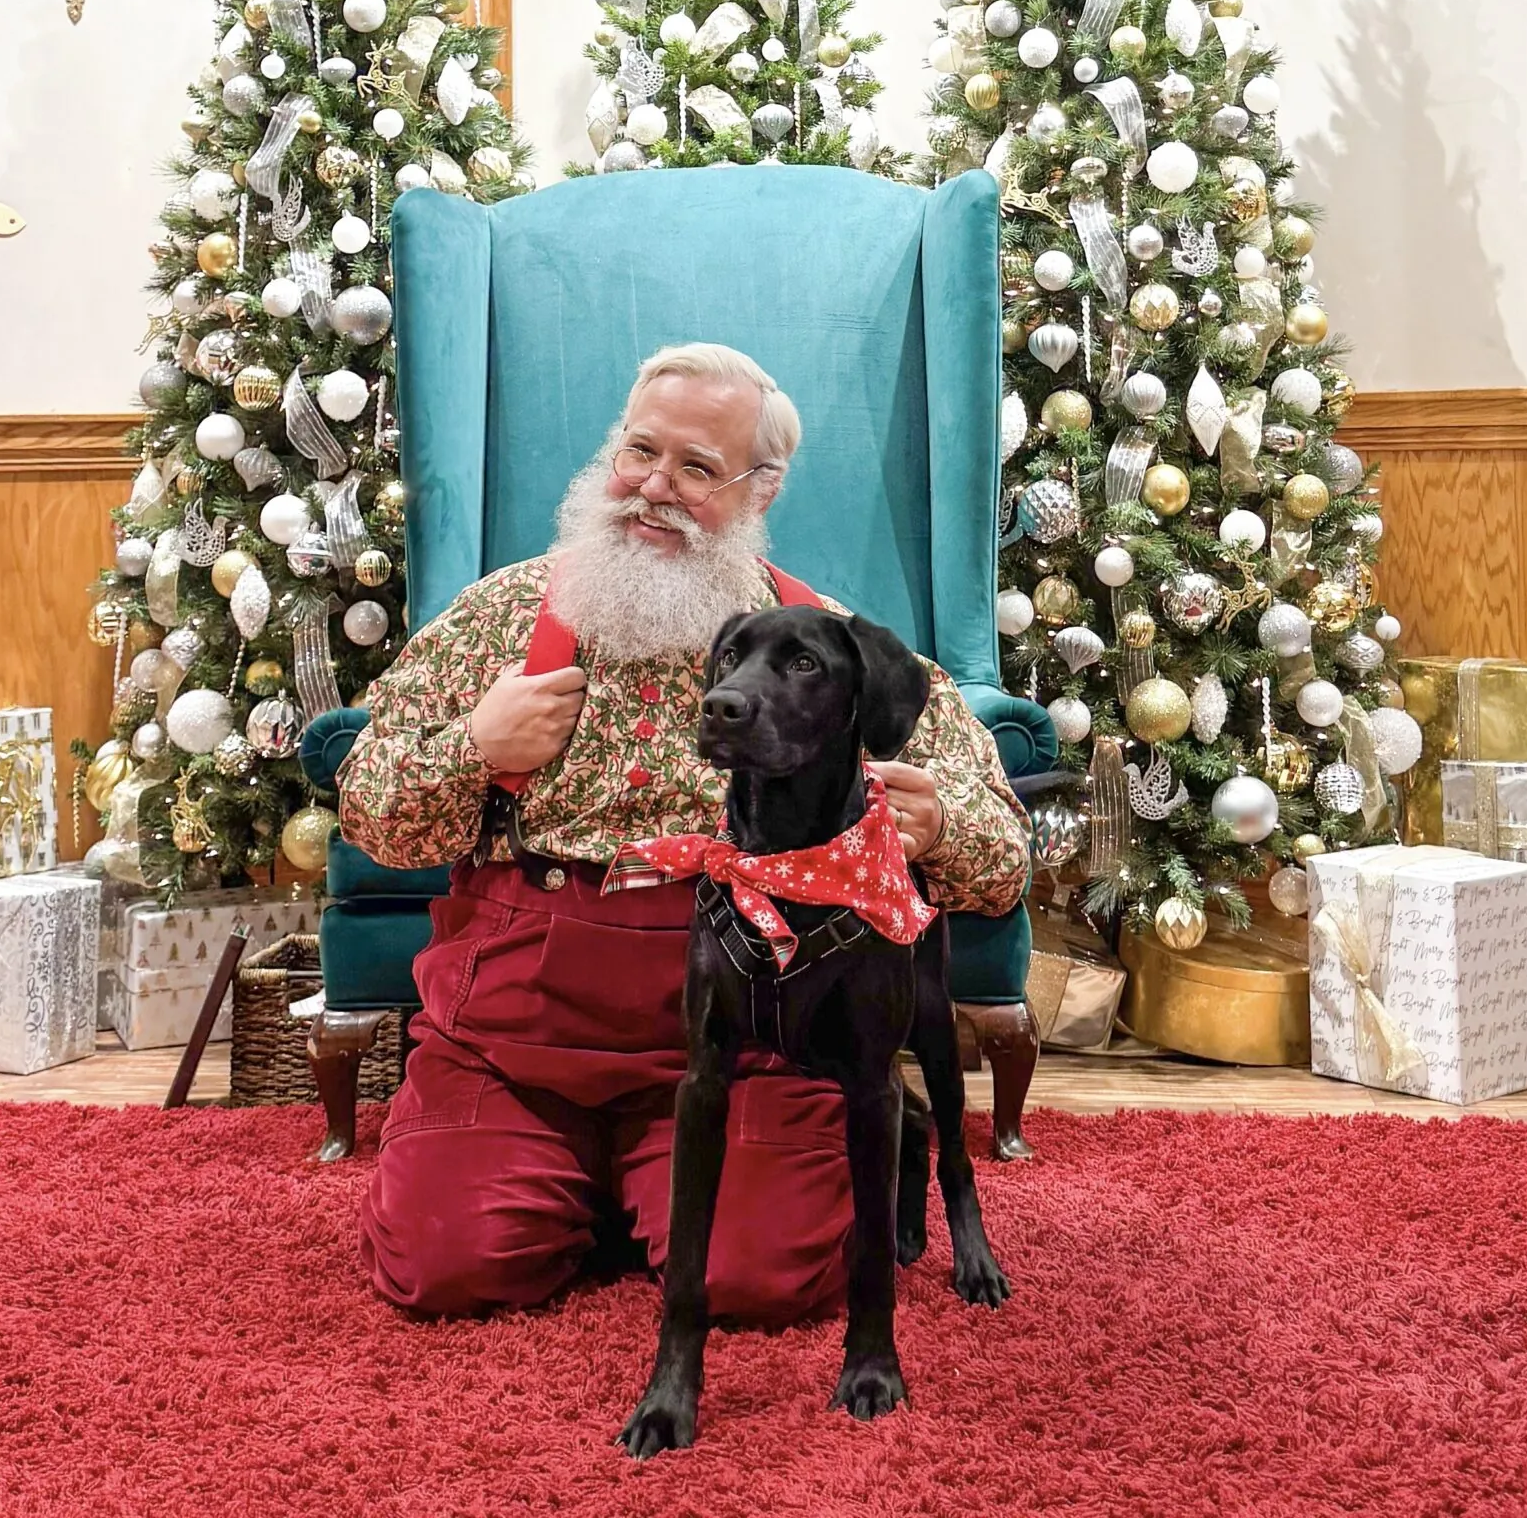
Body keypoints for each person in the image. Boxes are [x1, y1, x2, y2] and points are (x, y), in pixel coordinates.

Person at [339, 341, 1030, 1323]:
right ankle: (587, 1179)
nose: (653, 488)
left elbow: (1003, 861)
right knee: (446, 1268)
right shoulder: (499, 619)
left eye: (697, 468)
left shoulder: (825, 643)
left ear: (762, 488)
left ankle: (683, 1181)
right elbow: (370, 817)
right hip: (515, 1039)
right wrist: (472, 746)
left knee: (759, 1283)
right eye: (640, 451)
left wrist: (935, 825)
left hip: (746, 1040)